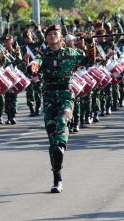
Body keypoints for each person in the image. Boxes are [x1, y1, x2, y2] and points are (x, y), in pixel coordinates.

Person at [33, 24, 86, 193]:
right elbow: (36, 64)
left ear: (61, 37)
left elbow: (89, 59)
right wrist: (32, 66)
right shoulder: (43, 55)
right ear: (46, 39)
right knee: (51, 135)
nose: (52, 36)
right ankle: (57, 177)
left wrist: (90, 44)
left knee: (63, 120)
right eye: (49, 34)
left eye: (55, 33)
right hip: (49, 97)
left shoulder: (71, 54)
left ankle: (61, 147)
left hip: (65, 95)